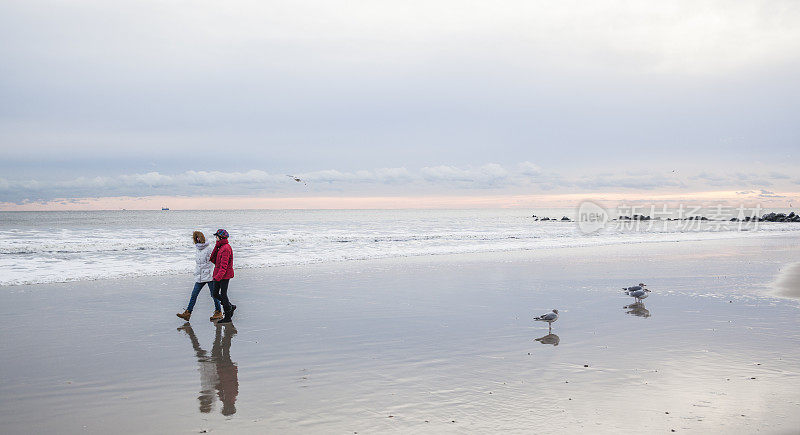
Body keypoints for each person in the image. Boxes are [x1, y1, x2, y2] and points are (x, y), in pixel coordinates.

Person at [177, 231, 224, 321]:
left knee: (213, 294)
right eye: (196, 238)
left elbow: (214, 261)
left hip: (209, 275)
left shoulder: (209, 248)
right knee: (194, 294)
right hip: (200, 276)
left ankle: (218, 311)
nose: (198, 239)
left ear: (203, 238)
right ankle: (188, 313)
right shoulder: (197, 249)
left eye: (199, 237)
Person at [210, 229, 236, 323]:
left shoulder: (226, 248)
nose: (215, 238)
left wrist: (218, 277)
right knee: (215, 294)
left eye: (216, 236)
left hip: (224, 275)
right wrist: (217, 246)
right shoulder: (220, 247)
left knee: (223, 294)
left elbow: (224, 266)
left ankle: (228, 317)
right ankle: (230, 306)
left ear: (220, 237)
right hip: (219, 274)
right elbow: (213, 259)